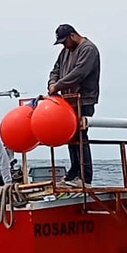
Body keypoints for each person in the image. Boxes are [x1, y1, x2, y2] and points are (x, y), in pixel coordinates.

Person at [47, 23, 101, 186]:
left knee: (80, 136)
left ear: (72, 35)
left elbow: (79, 73)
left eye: (64, 41)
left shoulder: (88, 49)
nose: (64, 45)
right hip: (67, 101)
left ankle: (85, 176)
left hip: (83, 100)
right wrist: (52, 83)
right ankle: (74, 172)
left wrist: (58, 85)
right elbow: (55, 69)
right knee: (70, 135)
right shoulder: (65, 52)